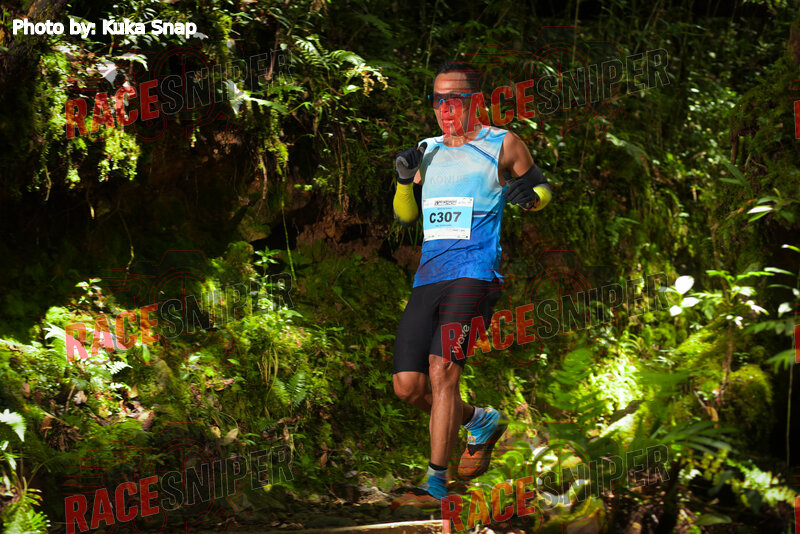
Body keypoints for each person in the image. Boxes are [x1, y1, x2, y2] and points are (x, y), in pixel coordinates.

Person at [389, 61, 553, 510]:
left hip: (476, 275)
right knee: (408, 387)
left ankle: (435, 485)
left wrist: (530, 198)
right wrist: (404, 181)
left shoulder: (503, 143)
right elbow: (406, 216)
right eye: (437, 100)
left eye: (454, 99)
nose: (445, 109)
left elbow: (542, 190)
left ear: (476, 101)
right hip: (429, 277)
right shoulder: (426, 150)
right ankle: (479, 420)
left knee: (442, 370)